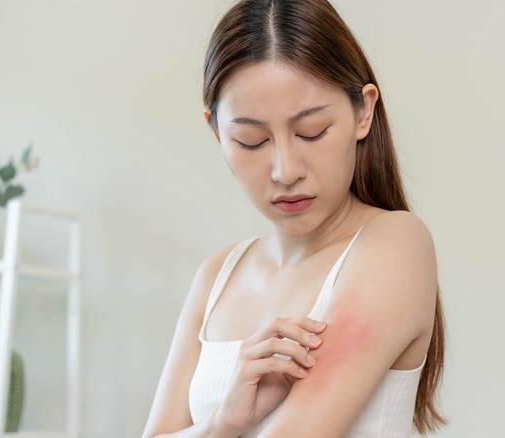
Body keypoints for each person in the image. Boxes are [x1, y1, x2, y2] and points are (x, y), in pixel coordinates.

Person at [142, 0, 446, 436]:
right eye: (251, 140)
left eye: (312, 132)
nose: (286, 171)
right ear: (216, 133)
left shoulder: (395, 245)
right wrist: (225, 421)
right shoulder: (217, 276)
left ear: (363, 111)